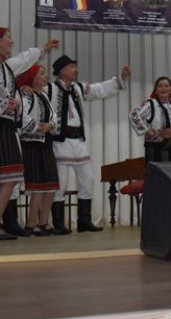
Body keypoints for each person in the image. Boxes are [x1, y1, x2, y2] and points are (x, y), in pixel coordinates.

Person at [0, 27, 58, 240]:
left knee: (8, 177)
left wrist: (42, 49)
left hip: (3, 125)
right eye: (8, 38)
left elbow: (22, 60)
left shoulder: (5, 67)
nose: (12, 41)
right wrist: (9, 103)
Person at [44, 54, 130, 233]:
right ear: (62, 70)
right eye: (72, 67)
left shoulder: (78, 88)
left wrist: (120, 78)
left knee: (87, 180)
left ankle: (85, 221)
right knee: (60, 183)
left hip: (79, 142)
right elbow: (34, 94)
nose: (75, 70)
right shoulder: (50, 89)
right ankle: (58, 224)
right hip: (60, 142)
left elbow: (99, 90)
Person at [17, 65, 59, 235]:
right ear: (32, 77)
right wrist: (37, 127)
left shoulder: (44, 96)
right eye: (42, 74)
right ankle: (31, 223)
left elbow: (54, 115)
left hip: (45, 142)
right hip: (31, 143)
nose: (46, 76)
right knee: (36, 185)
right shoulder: (26, 95)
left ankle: (44, 221)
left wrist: (51, 124)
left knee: (50, 184)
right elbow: (22, 115)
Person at [130, 76, 171, 162]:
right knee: (159, 170)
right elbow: (133, 115)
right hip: (157, 149)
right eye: (160, 86)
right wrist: (147, 130)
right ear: (156, 90)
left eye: (166, 86)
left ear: (170, 90)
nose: (163, 88)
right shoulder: (151, 104)